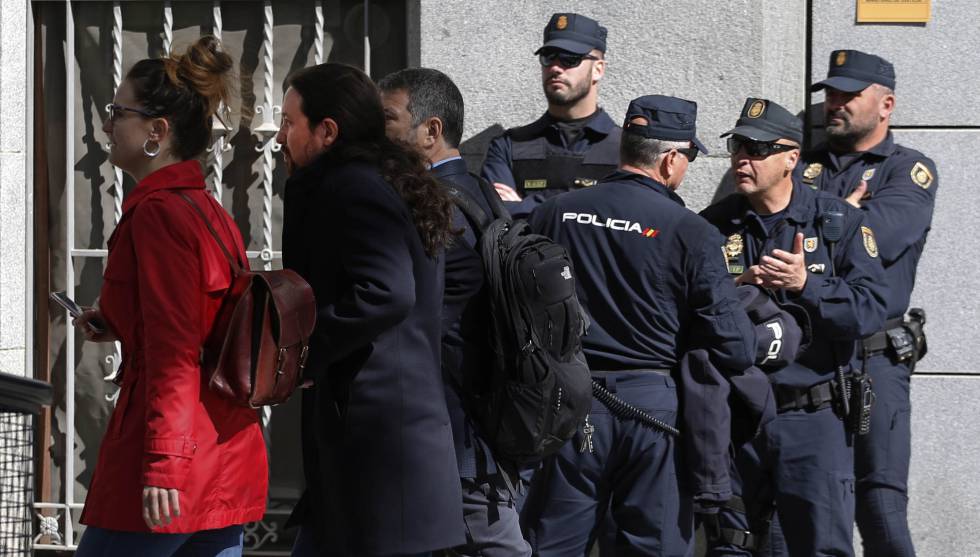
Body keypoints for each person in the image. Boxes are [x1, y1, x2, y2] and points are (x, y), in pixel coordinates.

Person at [521, 95, 757, 556]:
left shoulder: (554, 213)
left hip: (568, 402)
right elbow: (736, 347)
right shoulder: (692, 232)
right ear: (670, 159)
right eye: (688, 157)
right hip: (653, 411)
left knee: (552, 543)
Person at [72, 36, 267, 557]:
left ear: (157, 131)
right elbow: (201, 322)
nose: (108, 123)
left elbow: (175, 352)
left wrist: (164, 462)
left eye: (118, 111)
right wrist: (117, 320)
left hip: (174, 464)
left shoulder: (160, 215)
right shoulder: (206, 210)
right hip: (221, 452)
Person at [275, 62, 464, 557]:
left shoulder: (354, 187)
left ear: (327, 131)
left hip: (381, 450)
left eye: (289, 122)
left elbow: (386, 292)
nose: (279, 136)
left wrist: (305, 352)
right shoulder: (371, 181)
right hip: (367, 450)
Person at [700, 98, 888, 556]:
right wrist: (736, 285)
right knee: (730, 544)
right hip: (736, 419)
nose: (744, 157)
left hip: (811, 418)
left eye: (759, 148)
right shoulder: (713, 225)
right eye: (739, 145)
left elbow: (870, 310)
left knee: (819, 544)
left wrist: (807, 286)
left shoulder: (837, 224)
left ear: (791, 158)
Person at [379, 67, 532, 557]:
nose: (377, 131)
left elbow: (412, 313)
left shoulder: (436, 208)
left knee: (491, 541)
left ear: (431, 131)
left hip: (453, 420)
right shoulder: (482, 194)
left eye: (388, 118)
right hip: (476, 411)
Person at [802, 49, 937, 557]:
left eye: (848, 94)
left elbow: (880, 235)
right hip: (807, 361)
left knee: (879, 508)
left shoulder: (909, 170)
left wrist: (826, 221)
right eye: (830, 93)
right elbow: (775, 237)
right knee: (810, 510)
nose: (834, 103)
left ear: (886, 105)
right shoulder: (803, 164)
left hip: (873, 361)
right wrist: (845, 214)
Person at [481, 12, 620, 216]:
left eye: (569, 59)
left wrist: (526, 206)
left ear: (598, 69)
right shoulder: (508, 146)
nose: (555, 67)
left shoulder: (626, 150)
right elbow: (496, 219)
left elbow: (628, 222)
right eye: (549, 57)